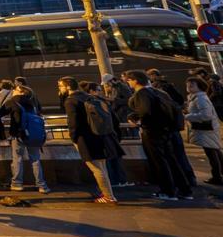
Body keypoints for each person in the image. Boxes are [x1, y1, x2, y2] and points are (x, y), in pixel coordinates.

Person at [126, 70, 192, 200]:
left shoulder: (142, 93)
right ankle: (185, 190)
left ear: (135, 80)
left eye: (129, 80)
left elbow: (144, 111)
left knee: (159, 162)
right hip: (166, 131)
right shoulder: (157, 92)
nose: (128, 83)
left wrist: (136, 119)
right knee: (171, 160)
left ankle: (168, 191)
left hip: (152, 131)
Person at [57, 77, 116, 203]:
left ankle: (108, 197)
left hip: (84, 138)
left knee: (96, 168)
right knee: (102, 166)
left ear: (67, 87)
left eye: (60, 86)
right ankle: (107, 193)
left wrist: (73, 138)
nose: (59, 89)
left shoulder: (71, 101)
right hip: (98, 135)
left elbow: (73, 122)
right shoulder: (88, 96)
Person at [0, 83, 50, 194]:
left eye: (16, 89)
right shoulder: (33, 102)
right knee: (35, 160)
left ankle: (17, 184)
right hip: (32, 135)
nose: (14, 90)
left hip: (18, 135)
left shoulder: (12, 101)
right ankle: (42, 185)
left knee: (17, 159)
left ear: (21, 92)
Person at [184, 76, 223, 185]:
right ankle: (219, 175)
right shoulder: (195, 97)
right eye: (188, 85)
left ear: (199, 87)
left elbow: (206, 115)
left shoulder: (200, 98)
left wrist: (187, 116)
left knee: (212, 152)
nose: (189, 87)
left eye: (192, 85)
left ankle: (217, 177)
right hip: (207, 128)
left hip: (206, 129)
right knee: (214, 150)